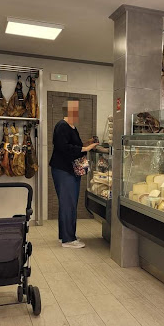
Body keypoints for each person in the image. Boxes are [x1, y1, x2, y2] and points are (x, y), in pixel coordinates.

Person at [49, 100, 98, 248]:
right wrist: (86, 148)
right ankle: (68, 240)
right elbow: (63, 147)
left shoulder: (72, 127)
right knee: (68, 203)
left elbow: (74, 145)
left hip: (69, 170)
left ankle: (64, 235)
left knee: (67, 203)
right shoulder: (62, 126)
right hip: (64, 170)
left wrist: (86, 143)